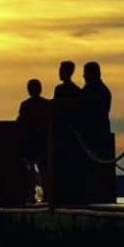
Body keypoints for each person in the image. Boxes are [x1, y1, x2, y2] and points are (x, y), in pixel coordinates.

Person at [50, 60, 84, 204]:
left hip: (66, 135)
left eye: (61, 70)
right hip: (67, 135)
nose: (59, 72)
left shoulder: (65, 90)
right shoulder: (77, 91)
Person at [81, 61, 115, 202]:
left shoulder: (91, 91)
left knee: (94, 170)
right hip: (101, 132)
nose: (83, 76)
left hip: (93, 135)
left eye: (85, 73)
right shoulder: (103, 90)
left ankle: (94, 194)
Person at [17, 78, 51, 203]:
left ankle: (31, 195)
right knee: (44, 171)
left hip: (31, 142)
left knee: (30, 171)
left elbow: (20, 122)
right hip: (42, 142)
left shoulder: (25, 105)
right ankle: (47, 194)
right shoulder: (46, 104)